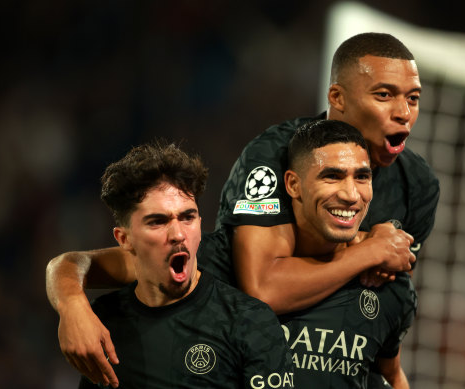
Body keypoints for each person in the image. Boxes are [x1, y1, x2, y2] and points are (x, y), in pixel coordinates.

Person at [46, 32, 439, 386]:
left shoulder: (416, 187)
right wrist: (72, 303)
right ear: (293, 185)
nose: (403, 112)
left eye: (413, 98)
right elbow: (263, 287)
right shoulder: (273, 158)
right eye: (385, 95)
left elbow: (385, 334)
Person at [60, 141, 294, 388]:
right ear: (124, 239)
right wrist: (71, 305)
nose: (178, 234)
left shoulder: (248, 322)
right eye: (158, 221)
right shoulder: (104, 321)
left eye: (187, 217)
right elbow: (69, 264)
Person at [278, 119, 416, 388]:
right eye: (332, 176)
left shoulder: (390, 286)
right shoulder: (234, 274)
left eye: (362, 177)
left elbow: (393, 376)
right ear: (293, 185)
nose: (352, 195)